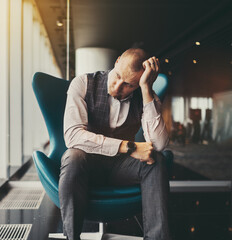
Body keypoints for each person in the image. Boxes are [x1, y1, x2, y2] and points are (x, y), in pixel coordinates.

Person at [59, 48, 171, 240]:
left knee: (156, 160)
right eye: (118, 75)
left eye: (128, 84)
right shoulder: (83, 83)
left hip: (122, 168)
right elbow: (73, 136)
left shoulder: (145, 95)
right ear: (117, 60)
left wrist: (145, 88)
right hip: (87, 165)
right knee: (73, 155)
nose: (118, 87)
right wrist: (130, 146)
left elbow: (159, 144)